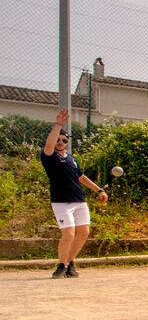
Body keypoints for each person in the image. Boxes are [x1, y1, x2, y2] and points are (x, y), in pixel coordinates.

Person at [40, 108, 107, 278]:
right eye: (58, 140)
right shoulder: (49, 157)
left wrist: (99, 189)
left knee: (84, 233)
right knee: (68, 234)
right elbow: (49, 145)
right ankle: (61, 265)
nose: (60, 142)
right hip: (61, 202)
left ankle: (69, 263)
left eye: (64, 140)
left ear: (67, 142)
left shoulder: (71, 158)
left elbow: (81, 177)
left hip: (79, 201)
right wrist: (58, 125)